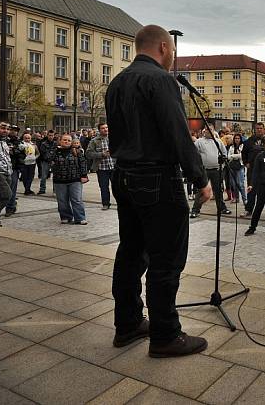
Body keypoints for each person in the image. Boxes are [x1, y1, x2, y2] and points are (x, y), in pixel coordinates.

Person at [106, 24, 212, 358]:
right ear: (164, 48)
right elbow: (178, 135)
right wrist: (201, 180)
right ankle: (165, 335)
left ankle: (128, 324)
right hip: (157, 179)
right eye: (173, 51)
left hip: (123, 176)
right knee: (166, 259)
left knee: (131, 252)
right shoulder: (162, 80)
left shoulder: (117, 82)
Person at [191, 128, 230, 218]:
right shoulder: (199, 141)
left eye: (210, 130)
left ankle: (222, 208)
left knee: (218, 191)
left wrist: (222, 165)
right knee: (201, 191)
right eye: (207, 130)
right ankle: (195, 210)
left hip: (216, 169)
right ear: (204, 131)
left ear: (213, 131)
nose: (209, 132)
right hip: (204, 170)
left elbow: (224, 153)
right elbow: (193, 153)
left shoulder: (218, 141)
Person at [51, 133, 89, 225]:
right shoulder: (55, 151)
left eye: (68, 140)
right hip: (59, 180)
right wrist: (55, 150)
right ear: (60, 141)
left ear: (71, 142)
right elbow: (48, 159)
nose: (66, 142)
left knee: (76, 199)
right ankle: (65, 217)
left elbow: (83, 163)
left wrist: (84, 175)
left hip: (75, 179)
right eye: (64, 140)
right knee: (62, 200)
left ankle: (80, 218)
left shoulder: (77, 151)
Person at [86, 123, 116, 210]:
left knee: (117, 187)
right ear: (99, 130)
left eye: (106, 127)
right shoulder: (94, 141)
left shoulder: (113, 138)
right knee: (104, 187)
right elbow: (88, 154)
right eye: (103, 128)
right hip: (101, 168)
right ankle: (106, 204)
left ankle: (121, 203)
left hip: (113, 167)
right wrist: (101, 154)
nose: (105, 129)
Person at [4, 125, 24, 217]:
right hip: (3, 167)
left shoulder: (20, 142)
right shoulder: (3, 140)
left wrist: (14, 152)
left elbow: (23, 154)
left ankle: (10, 207)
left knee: (12, 188)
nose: (13, 132)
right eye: (12, 130)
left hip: (14, 168)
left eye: (15, 131)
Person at [226, 133, 248, 207]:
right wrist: (234, 156)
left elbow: (242, 155)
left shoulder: (243, 146)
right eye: (235, 138)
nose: (237, 140)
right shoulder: (231, 147)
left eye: (238, 138)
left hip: (240, 166)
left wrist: (233, 156)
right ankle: (236, 198)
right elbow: (228, 157)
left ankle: (245, 199)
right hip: (232, 167)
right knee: (233, 184)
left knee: (240, 183)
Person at [37, 130, 57, 194]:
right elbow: (43, 153)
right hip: (45, 161)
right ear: (47, 135)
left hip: (54, 162)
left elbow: (56, 153)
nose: (51, 137)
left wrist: (53, 160)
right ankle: (42, 189)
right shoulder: (44, 143)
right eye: (50, 135)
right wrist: (49, 160)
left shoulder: (55, 143)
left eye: (52, 135)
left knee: (55, 176)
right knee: (43, 176)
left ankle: (55, 190)